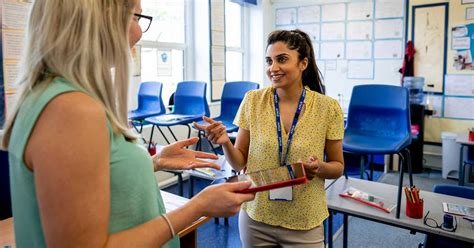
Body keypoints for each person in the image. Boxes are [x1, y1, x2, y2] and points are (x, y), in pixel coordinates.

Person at [1, 0, 255, 247]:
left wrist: (152, 162)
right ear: (100, 19)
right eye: (137, 17)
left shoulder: (49, 97)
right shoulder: (71, 110)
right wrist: (198, 206)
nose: (138, 33)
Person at [194, 29, 344, 247]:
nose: (273, 68)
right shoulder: (253, 101)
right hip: (256, 215)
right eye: (269, 61)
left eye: (282, 59)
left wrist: (319, 167)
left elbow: (338, 166)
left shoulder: (327, 108)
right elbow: (239, 161)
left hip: (304, 220)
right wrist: (225, 141)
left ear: (303, 63)